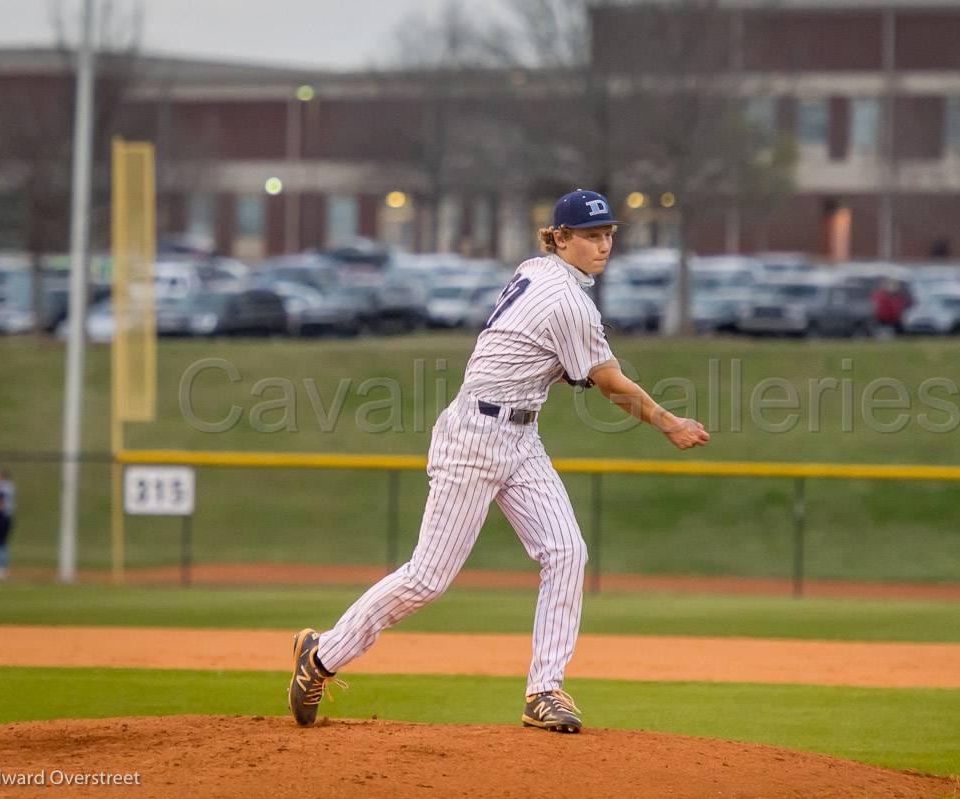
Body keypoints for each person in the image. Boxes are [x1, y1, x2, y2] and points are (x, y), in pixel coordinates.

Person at [288, 189, 710, 733]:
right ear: (560, 238)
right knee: (427, 579)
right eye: (590, 235)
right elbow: (607, 381)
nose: (603, 245)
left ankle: (544, 690)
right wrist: (668, 422)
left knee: (566, 552)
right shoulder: (568, 300)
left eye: (608, 235)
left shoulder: (536, 270)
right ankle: (320, 656)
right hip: (474, 438)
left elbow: (538, 353)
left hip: (520, 436)